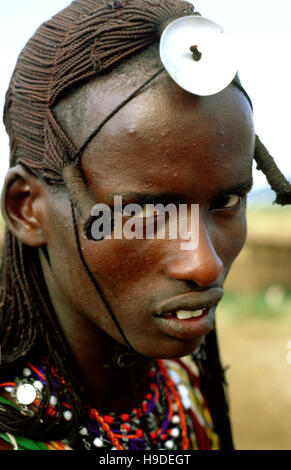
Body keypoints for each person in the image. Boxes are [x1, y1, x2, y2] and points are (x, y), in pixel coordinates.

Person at [0, 0, 290, 452]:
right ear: (26, 209)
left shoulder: (186, 383)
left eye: (226, 200)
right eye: (144, 210)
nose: (204, 265)